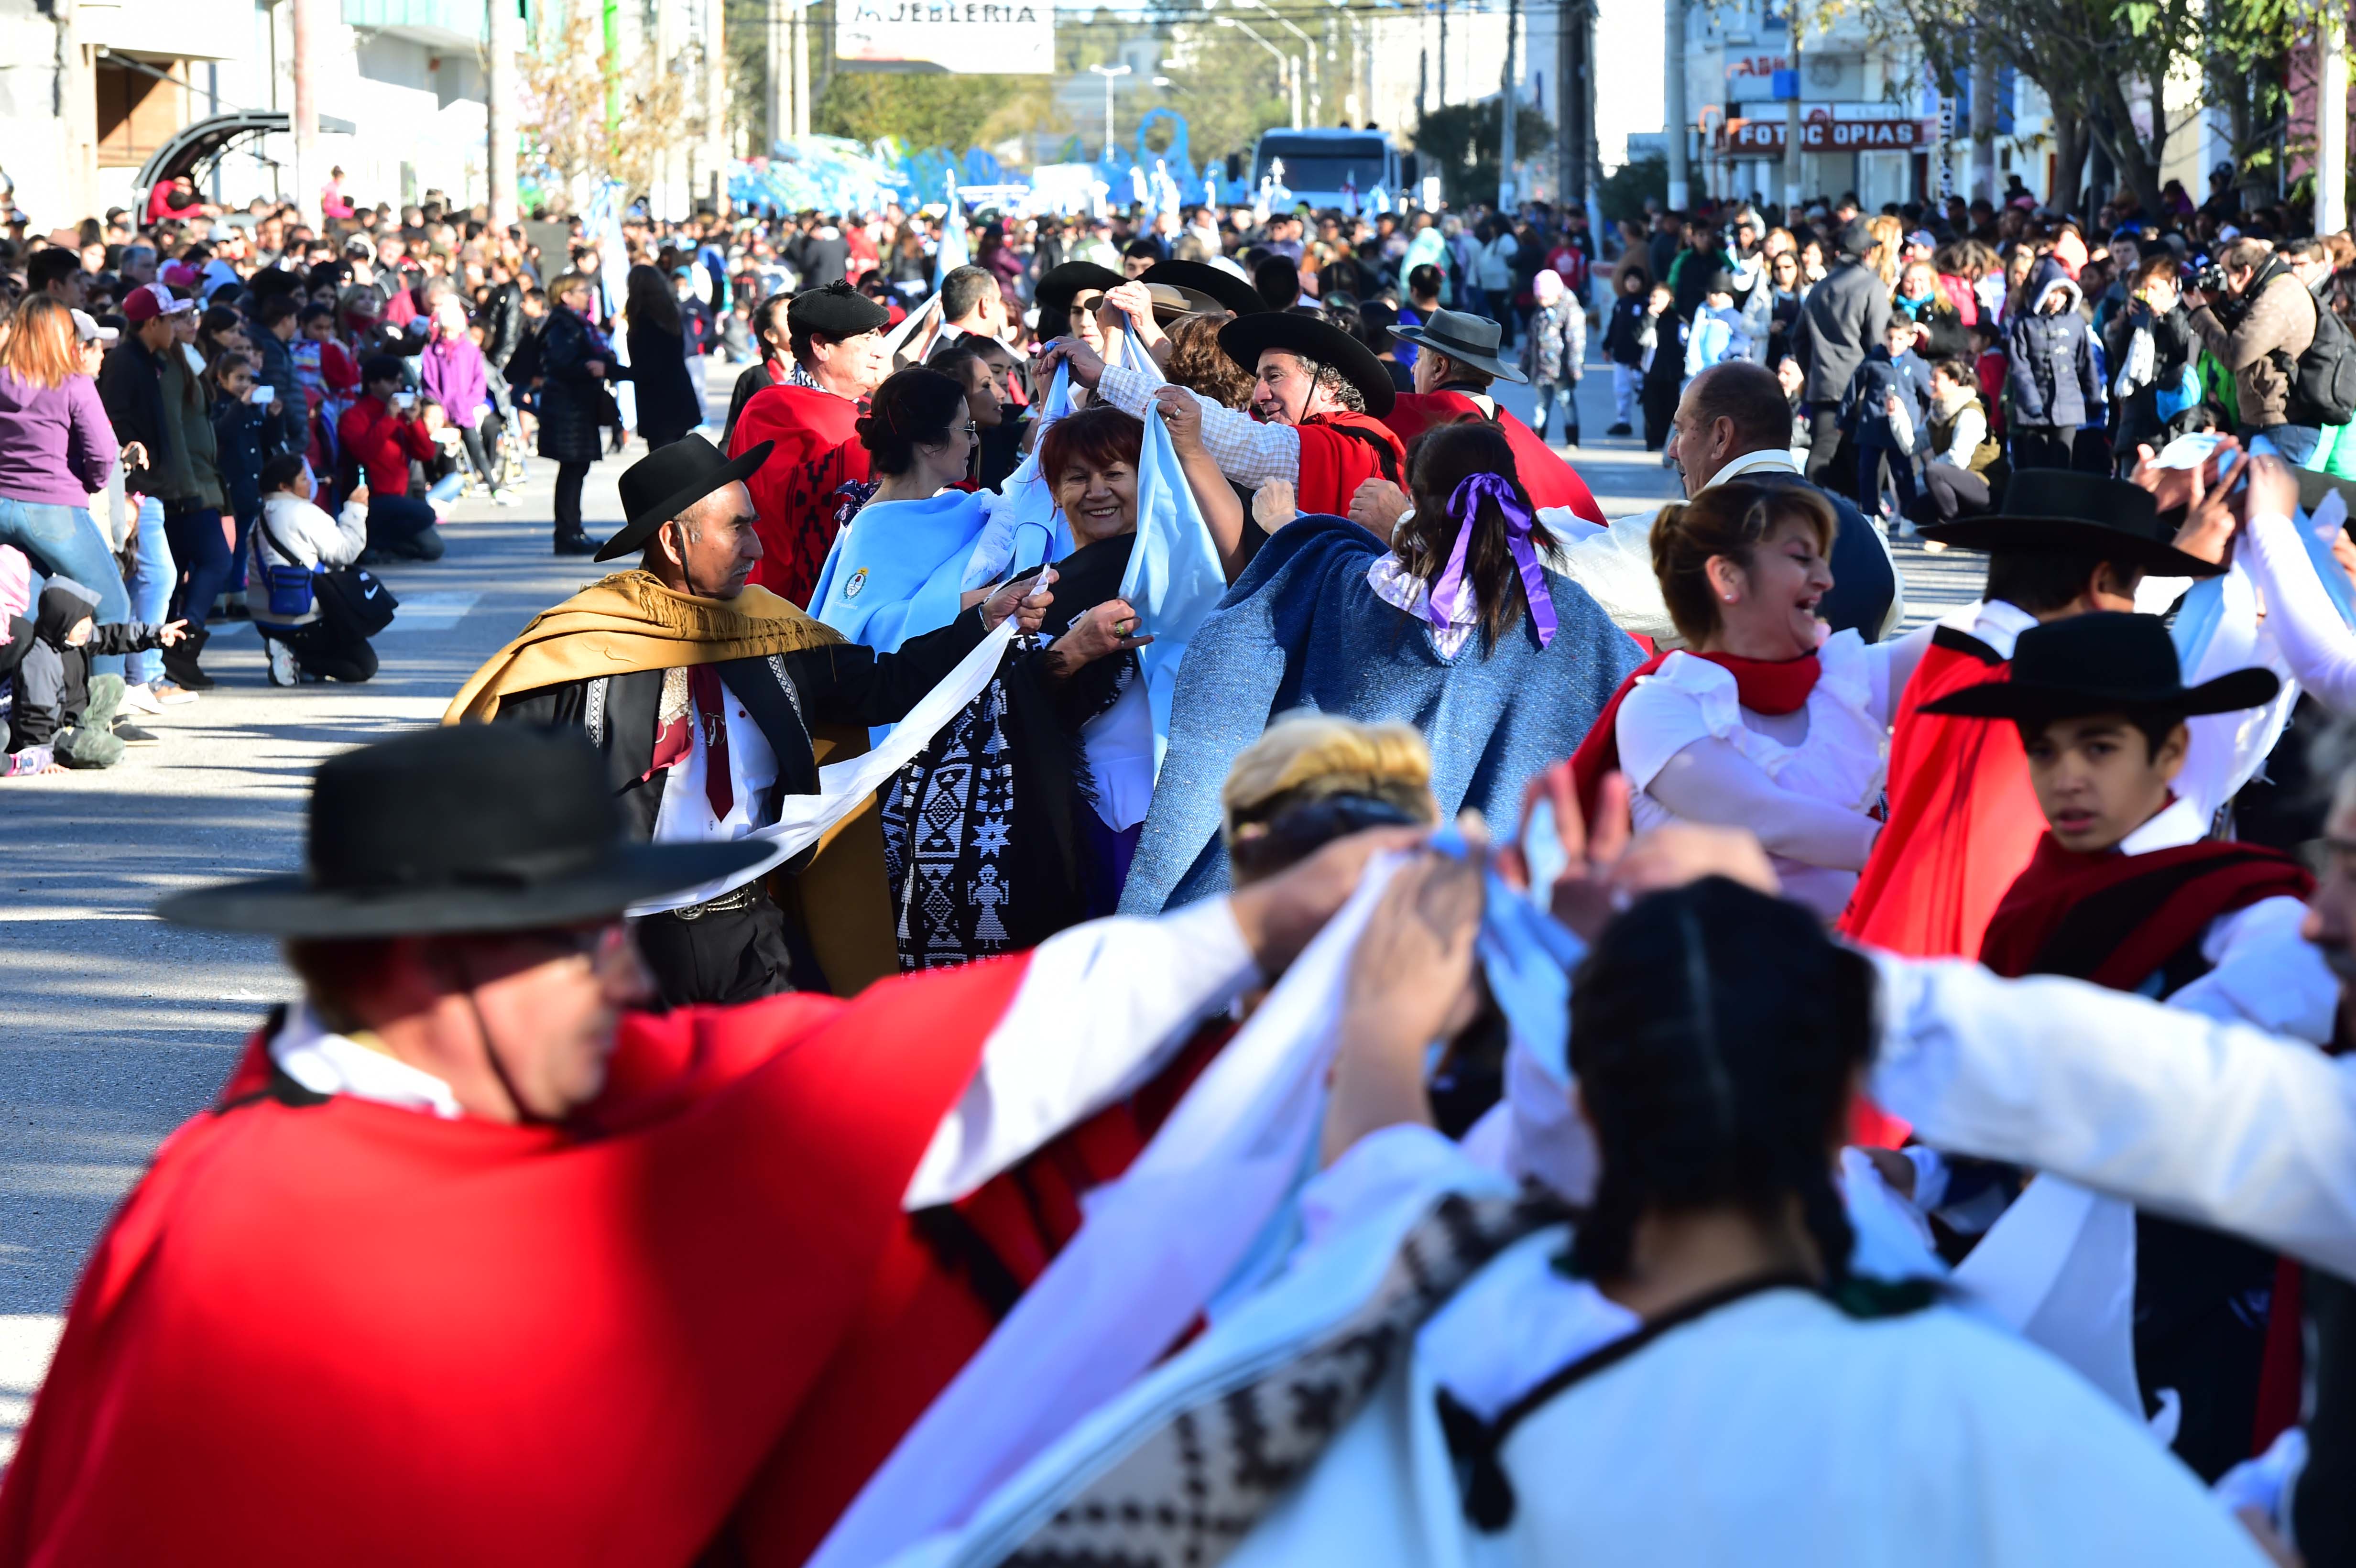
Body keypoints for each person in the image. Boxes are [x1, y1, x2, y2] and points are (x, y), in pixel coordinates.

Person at [0, 719, 1414, 1566]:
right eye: (588, 944)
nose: (631, 980)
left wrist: (1243, 941)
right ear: (437, 966)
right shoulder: (258, 1221)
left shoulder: (561, 1089)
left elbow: (870, 1073)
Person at [447, 434, 1051, 1006]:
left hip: (749, 928)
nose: (757, 549)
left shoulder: (769, 629)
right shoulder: (581, 650)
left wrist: (980, 624)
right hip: (620, 944)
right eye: (737, 528)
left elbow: (879, 687)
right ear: (673, 539)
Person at [1925, 611, 2323, 1479]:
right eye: (2043, 750)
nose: (2065, 778)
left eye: (2097, 748)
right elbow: (1993, 1099)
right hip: (2039, 1291)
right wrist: (1918, 1170)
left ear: (2171, 753)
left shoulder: (2253, 918)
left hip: (2195, 1316)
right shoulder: (2039, 895)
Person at [1119, 419, 1643, 915]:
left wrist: (1286, 526)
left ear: (1413, 498)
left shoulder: (1340, 580)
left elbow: (1238, 655)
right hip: (1479, 904)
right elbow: (1632, 710)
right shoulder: (1564, 619)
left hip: (1330, 876)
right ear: (1512, 493)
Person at [1842, 469, 2224, 962]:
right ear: (2099, 581)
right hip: (1952, 992)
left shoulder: (1950, 662)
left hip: (1880, 955)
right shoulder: (2023, 695)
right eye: (2128, 592)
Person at [1568, 482, 1914, 920]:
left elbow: (1965, 646)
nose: (1826, 580)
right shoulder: (1660, 704)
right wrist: (1914, 851)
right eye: (1800, 558)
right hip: (1717, 981)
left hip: (1842, 971)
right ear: (1727, 577)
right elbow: (1764, 816)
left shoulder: (1836, 677)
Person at [1552, 362, 1898, 645]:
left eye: (1682, 430)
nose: (1673, 449)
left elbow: (1546, 578)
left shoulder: (1700, 531)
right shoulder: (1870, 536)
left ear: (1721, 436)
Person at [1038, 310, 1408, 521]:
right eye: (1258, 378)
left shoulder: (1347, 446)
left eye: (1274, 376)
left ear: (1328, 386)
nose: (1260, 394)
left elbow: (1236, 440)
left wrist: (1104, 375)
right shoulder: (1332, 442)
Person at [728, 281, 893, 606]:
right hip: (786, 599)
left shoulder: (863, 407)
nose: (880, 350)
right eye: (865, 339)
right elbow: (802, 508)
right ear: (821, 346)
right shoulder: (773, 409)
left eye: (878, 336)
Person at [0, 299, 128, 685]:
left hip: (3, 504)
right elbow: (103, 452)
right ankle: (101, 720)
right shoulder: (72, 383)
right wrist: (89, 484)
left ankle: (22, 711)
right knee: (112, 607)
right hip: (54, 508)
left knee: (23, 612)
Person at [1384, 308, 1606, 523]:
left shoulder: (1423, 411)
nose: (1413, 370)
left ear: (1439, 367)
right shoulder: (1523, 434)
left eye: (1419, 359)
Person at [6, 579, 187, 766]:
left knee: (114, 684)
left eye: (88, 617)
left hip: (70, 714)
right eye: (79, 620)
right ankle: (66, 749)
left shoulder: (73, 637)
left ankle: (84, 735)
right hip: (52, 735)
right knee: (114, 749)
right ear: (61, 619)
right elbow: (35, 716)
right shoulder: (40, 660)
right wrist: (42, 756)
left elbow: (112, 636)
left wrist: (155, 634)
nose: (87, 625)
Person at [2187, 238, 2323, 465]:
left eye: (2225, 273)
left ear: (2245, 271)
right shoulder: (2269, 289)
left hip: (2282, 426)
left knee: (2269, 498)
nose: (2223, 281)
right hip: (2267, 420)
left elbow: (2235, 354)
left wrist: (2200, 314)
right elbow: (2245, 335)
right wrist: (2215, 307)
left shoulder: (2276, 299)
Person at [249, 453, 376, 686]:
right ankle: (297, 659)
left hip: (264, 620)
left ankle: (286, 650)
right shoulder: (304, 513)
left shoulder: (259, 518)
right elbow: (346, 552)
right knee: (364, 666)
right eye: (304, 479)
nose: (311, 484)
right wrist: (356, 509)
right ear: (285, 486)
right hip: (303, 618)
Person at [1794, 219, 1893, 495]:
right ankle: (1867, 512)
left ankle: (1810, 510)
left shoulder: (1820, 287)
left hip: (1824, 383)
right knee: (1866, 453)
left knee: (1822, 452)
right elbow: (1878, 340)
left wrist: (1813, 371)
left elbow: (1799, 339)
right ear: (1866, 253)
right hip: (1860, 385)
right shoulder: (1872, 286)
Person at [536, 271, 621, 557]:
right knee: (572, 470)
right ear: (566, 296)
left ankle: (573, 529)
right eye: (584, 291)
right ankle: (568, 533)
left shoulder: (576, 323)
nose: (589, 296)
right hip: (567, 407)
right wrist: (592, 364)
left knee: (577, 470)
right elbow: (561, 364)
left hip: (576, 407)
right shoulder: (563, 325)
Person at [337, 355, 445, 564]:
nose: (398, 386)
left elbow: (426, 453)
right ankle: (371, 544)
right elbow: (365, 453)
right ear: (373, 383)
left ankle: (380, 546)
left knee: (434, 548)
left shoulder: (402, 414)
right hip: (371, 499)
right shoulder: (354, 416)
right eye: (392, 381)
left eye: (399, 381)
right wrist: (388, 419)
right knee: (426, 514)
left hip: (399, 499)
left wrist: (415, 421)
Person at [2105, 252, 2204, 470]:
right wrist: (2129, 320)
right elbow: (2121, 357)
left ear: (2172, 286)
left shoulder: (2187, 311)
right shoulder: (2138, 315)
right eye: (2145, 288)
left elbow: (2189, 351)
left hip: (2172, 418)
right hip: (2136, 416)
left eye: (2156, 289)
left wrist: (2168, 314)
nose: (2150, 295)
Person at [2007, 254, 2105, 472]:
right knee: (2037, 466)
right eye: (2054, 292)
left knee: (2063, 462)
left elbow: (2086, 363)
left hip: (2068, 404)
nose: (2058, 299)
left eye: (2063, 293)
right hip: (2034, 408)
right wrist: (2031, 402)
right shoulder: (2025, 322)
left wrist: (2094, 398)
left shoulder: (2076, 322)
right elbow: (2020, 366)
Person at [1842, 315, 1933, 525]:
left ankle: (1909, 515)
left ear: (1911, 339)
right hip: (1872, 426)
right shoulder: (1873, 360)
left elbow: (1929, 396)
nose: (1894, 343)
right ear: (1884, 336)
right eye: (1891, 337)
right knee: (1867, 472)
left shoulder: (1917, 365)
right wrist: (1843, 420)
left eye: (1900, 339)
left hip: (1901, 430)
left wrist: (1930, 422)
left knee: (1903, 473)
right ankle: (1871, 513)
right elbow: (1853, 390)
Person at [417, 293, 505, 502]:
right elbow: (429, 382)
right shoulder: (432, 351)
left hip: (465, 411)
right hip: (441, 414)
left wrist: (469, 404)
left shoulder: (470, 350)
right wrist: (440, 410)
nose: (448, 335)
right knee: (438, 449)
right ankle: (438, 487)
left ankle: (493, 485)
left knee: (475, 447)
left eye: (452, 330)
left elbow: (478, 381)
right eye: (445, 330)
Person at [1915, 356, 2005, 524]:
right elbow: (1913, 446)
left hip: (1987, 486)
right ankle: (1972, 522)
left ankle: (1950, 527)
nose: (1930, 383)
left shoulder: (1970, 412)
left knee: (1934, 472)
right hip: (1963, 479)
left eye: (1936, 379)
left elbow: (1958, 460)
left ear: (1954, 383)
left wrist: (1934, 464)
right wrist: (1895, 416)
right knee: (1917, 510)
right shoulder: (1938, 411)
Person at [623, 262, 702, 451]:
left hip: (659, 406)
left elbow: (648, 369)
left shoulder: (645, 322)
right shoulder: (669, 314)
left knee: (664, 468)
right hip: (678, 398)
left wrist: (610, 370)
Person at [1521, 270, 1582, 447]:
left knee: (1566, 401)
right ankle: (1538, 440)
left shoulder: (1570, 311)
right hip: (1541, 369)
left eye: (1546, 298)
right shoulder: (1539, 313)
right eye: (1539, 298)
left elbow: (1576, 341)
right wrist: (1525, 366)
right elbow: (1531, 342)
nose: (1543, 302)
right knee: (1541, 404)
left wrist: (1575, 368)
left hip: (1561, 370)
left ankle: (1572, 438)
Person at [722, 291, 791, 445]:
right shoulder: (752, 378)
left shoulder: (818, 373)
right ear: (771, 335)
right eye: (788, 317)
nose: (798, 320)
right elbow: (732, 436)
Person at [1601, 266, 1650, 437]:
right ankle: (1623, 421)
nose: (1632, 284)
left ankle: (1651, 422)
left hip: (1638, 359)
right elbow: (1614, 327)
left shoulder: (1646, 304)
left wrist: (1642, 355)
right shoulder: (1621, 303)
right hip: (1621, 357)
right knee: (1621, 390)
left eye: (1636, 280)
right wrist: (1607, 346)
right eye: (1629, 280)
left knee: (1644, 392)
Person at [1681, 271, 1753, 374]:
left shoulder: (1733, 316)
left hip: (1723, 369)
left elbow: (1743, 340)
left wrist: (1725, 354)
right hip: (1700, 369)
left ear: (1729, 296)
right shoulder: (1702, 313)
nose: (1712, 296)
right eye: (1710, 293)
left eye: (1717, 293)